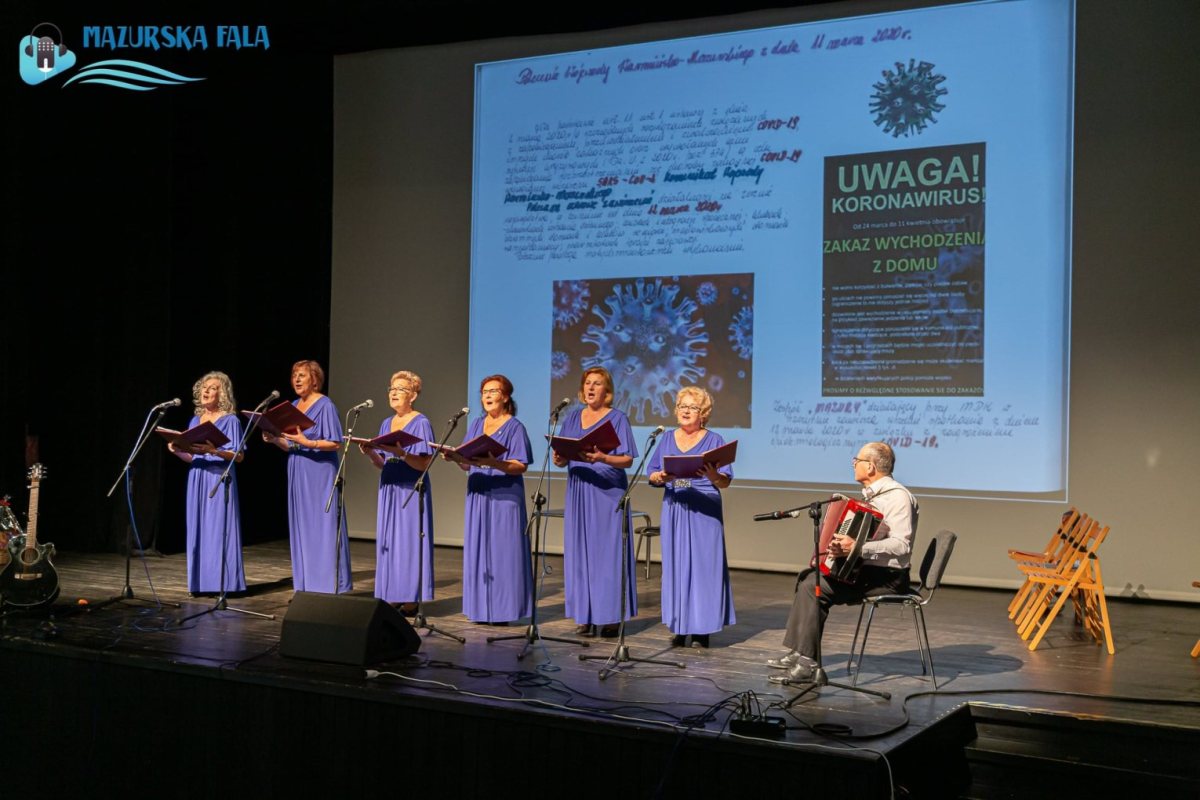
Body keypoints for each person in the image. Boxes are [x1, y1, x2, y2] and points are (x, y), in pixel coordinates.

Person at [768, 441, 919, 684]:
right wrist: (844, 549)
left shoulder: (898, 497)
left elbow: (902, 545)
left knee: (814, 588)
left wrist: (857, 548)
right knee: (809, 576)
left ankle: (807, 664)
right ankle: (800, 650)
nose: (853, 464)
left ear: (870, 467)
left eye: (856, 460)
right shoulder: (873, 495)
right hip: (867, 570)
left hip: (888, 577)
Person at [647, 386, 734, 648]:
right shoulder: (666, 438)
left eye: (693, 407)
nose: (686, 411)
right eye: (682, 406)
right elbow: (652, 473)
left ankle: (701, 630)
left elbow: (725, 481)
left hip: (704, 507)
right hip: (675, 506)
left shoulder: (714, 439)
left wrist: (713, 475)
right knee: (676, 566)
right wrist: (660, 477)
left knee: (704, 568)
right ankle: (680, 625)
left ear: (703, 413)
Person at [553, 367, 637, 638]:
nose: (590, 387)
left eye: (597, 383)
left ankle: (610, 617)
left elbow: (627, 459)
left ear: (607, 390)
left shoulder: (618, 418)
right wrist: (560, 458)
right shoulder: (572, 418)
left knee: (607, 555)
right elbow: (563, 455)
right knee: (581, 552)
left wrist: (603, 458)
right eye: (587, 383)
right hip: (579, 490)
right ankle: (585, 615)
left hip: (607, 492)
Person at [448, 374, 533, 625]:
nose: (487, 395)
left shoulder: (515, 427)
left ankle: (504, 611)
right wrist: (455, 458)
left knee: (504, 553)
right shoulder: (476, 424)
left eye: (493, 391)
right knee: (479, 550)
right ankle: (480, 609)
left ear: (505, 397)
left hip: (504, 496)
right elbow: (467, 463)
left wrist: (494, 463)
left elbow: (520, 465)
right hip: (478, 493)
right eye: (484, 391)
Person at [263, 360, 352, 594]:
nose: (296, 379)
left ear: (315, 379)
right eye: (294, 375)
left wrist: (308, 442)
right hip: (298, 468)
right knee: (302, 527)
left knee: (323, 526)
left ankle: (329, 585)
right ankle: (307, 586)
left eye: (302, 375)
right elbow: (292, 445)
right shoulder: (293, 406)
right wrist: (275, 439)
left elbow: (335, 443)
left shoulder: (325, 405)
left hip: (319, 472)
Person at [357, 371, 435, 612]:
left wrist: (401, 453)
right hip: (389, 487)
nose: (394, 392)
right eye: (392, 388)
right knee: (390, 541)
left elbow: (424, 464)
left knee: (409, 541)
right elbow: (383, 463)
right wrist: (370, 451)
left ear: (413, 395)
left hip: (410, 488)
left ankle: (411, 598)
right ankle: (392, 593)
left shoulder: (421, 422)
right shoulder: (386, 423)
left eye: (401, 389)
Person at [167, 371, 246, 595]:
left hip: (218, 478)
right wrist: (176, 450)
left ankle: (225, 584)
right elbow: (193, 457)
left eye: (212, 388)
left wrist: (214, 450)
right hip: (197, 477)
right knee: (198, 528)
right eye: (204, 387)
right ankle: (200, 584)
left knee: (218, 529)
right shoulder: (195, 420)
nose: (206, 391)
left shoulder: (230, 420)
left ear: (222, 394)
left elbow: (239, 456)